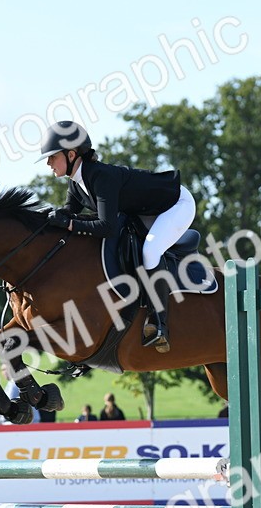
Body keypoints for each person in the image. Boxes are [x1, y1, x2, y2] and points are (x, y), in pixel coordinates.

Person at [39, 120, 196, 352]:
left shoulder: (101, 176)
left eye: (52, 157)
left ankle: (159, 323)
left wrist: (70, 224)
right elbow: (68, 212)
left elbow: (106, 227)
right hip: (147, 211)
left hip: (175, 204)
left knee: (150, 251)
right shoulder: (76, 184)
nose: (48, 163)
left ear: (71, 154)